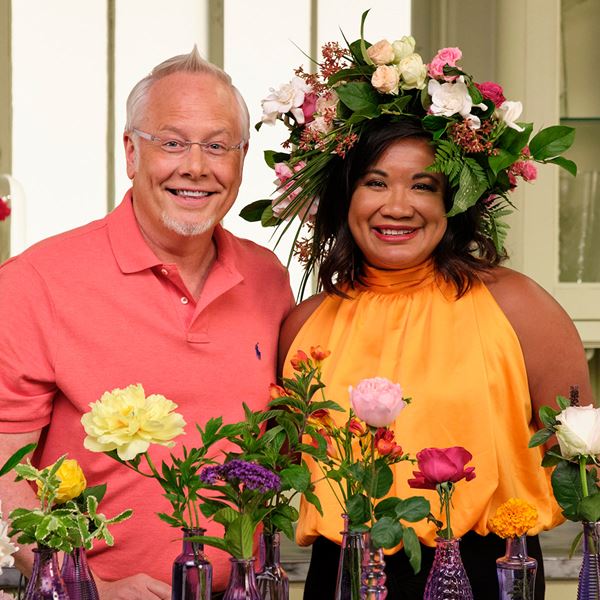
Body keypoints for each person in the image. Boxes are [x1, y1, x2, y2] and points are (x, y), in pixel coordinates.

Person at [251, 32, 593, 600]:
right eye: (375, 182)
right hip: (342, 576)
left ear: (455, 200)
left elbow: (583, 463)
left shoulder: (519, 308)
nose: (397, 206)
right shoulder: (304, 325)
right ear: (346, 197)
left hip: (494, 572)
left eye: (423, 186)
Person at [0, 49, 294, 598]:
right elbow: (3, 471)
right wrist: (88, 588)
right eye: (173, 142)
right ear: (132, 152)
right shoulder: (34, 282)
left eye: (217, 146)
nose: (196, 167)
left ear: (242, 158)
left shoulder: (268, 279)